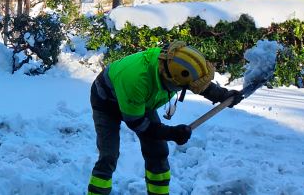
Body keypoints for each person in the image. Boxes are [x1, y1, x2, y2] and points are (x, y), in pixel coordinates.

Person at [87, 41, 243, 195]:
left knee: (158, 152)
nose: (185, 89)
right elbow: (138, 123)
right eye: (183, 88)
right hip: (106, 102)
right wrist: (171, 133)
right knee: (108, 155)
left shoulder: (172, 64)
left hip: (141, 101)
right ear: (171, 81)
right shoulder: (137, 81)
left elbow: (196, 83)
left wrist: (223, 95)